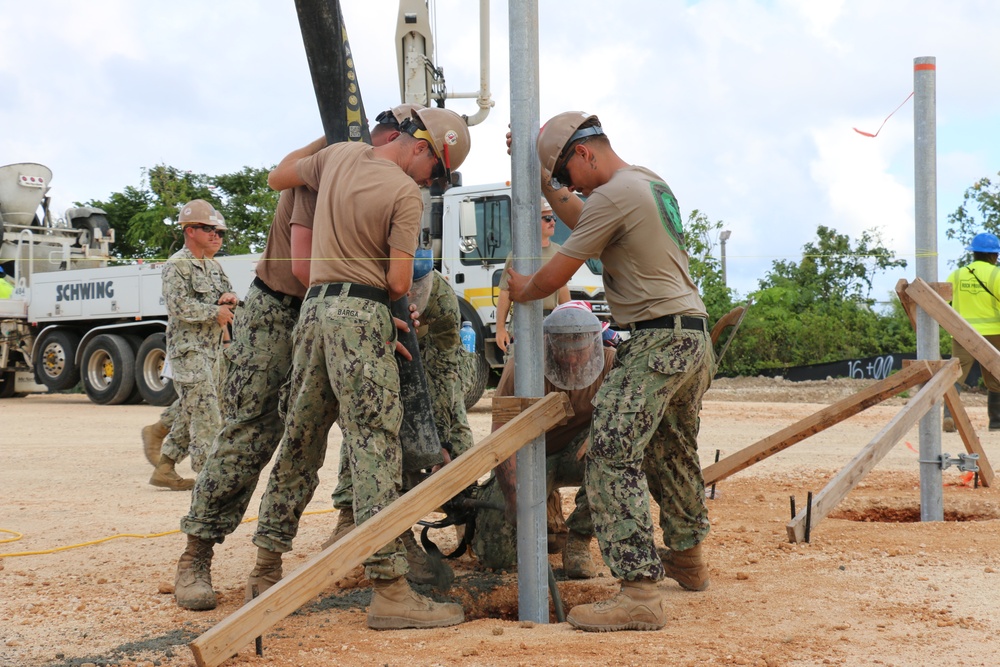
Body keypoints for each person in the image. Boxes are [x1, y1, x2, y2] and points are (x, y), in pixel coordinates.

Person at [249, 105, 472, 630]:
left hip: (314, 312)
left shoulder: (339, 157)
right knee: (375, 445)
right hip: (363, 316)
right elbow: (398, 283)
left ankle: (264, 567)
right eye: (437, 171)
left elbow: (277, 175)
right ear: (422, 147)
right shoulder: (404, 195)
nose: (432, 182)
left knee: (301, 438)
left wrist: (323, 140)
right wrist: (376, 307)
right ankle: (391, 589)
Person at [505, 111, 713, 632]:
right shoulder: (645, 182)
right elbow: (581, 215)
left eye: (570, 176)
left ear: (585, 154)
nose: (569, 188)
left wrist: (523, 289)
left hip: (657, 339)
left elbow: (559, 268)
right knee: (671, 449)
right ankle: (688, 557)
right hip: (691, 336)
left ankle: (639, 591)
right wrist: (541, 177)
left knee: (610, 451)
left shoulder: (616, 195)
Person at [170, 183, 318, 610]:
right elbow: (279, 176)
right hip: (277, 309)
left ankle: (269, 562)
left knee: (306, 440)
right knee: (248, 435)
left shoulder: (388, 186)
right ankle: (196, 555)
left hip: (330, 313)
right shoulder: (319, 168)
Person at [326, 246, 477, 587]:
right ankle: (350, 518)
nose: (411, 294)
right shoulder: (365, 287)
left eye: (416, 288)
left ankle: (467, 521)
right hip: (380, 355)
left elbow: (445, 374)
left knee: (458, 446)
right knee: (370, 430)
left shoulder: (441, 301)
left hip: (430, 366)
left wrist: (441, 441)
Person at [473, 302, 612, 579]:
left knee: (613, 456)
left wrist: (602, 438)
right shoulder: (520, 369)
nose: (573, 361)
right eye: (564, 352)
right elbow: (501, 440)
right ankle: (546, 503)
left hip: (580, 455)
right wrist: (514, 498)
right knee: (496, 555)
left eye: (580, 351)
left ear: (594, 344)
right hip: (531, 458)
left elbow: (630, 425)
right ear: (548, 345)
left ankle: (578, 540)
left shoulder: (612, 364)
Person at [150, 200, 237, 491]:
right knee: (206, 411)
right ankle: (211, 477)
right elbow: (178, 306)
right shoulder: (177, 265)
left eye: (220, 232)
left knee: (193, 408)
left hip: (212, 350)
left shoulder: (213, 266)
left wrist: (228, 299)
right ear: (190, 231)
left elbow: (225, 292)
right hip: (188, 351)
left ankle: (165, 466)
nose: (217, 236)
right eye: (209, 229)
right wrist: (215, 312)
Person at [494, 199, 570, 353]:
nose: (552, 222)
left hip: (551, 321)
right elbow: (505, 292)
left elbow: (562, 288)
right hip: (523, 320)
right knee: (519, 369)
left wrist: (570, 319)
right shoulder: (518, 255)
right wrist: (500, 328)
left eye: (553, 218)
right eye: (547, 219)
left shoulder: (559, 252)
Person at [944, 232, 1000, 432]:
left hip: (962, 333)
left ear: (973, 253)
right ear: (994, 255)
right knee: (996, 377)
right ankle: (996, 422)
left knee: (954, 376)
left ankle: (949, 417)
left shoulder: (957, 275)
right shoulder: (997, 274)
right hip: (994, 333)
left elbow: (944, 303)